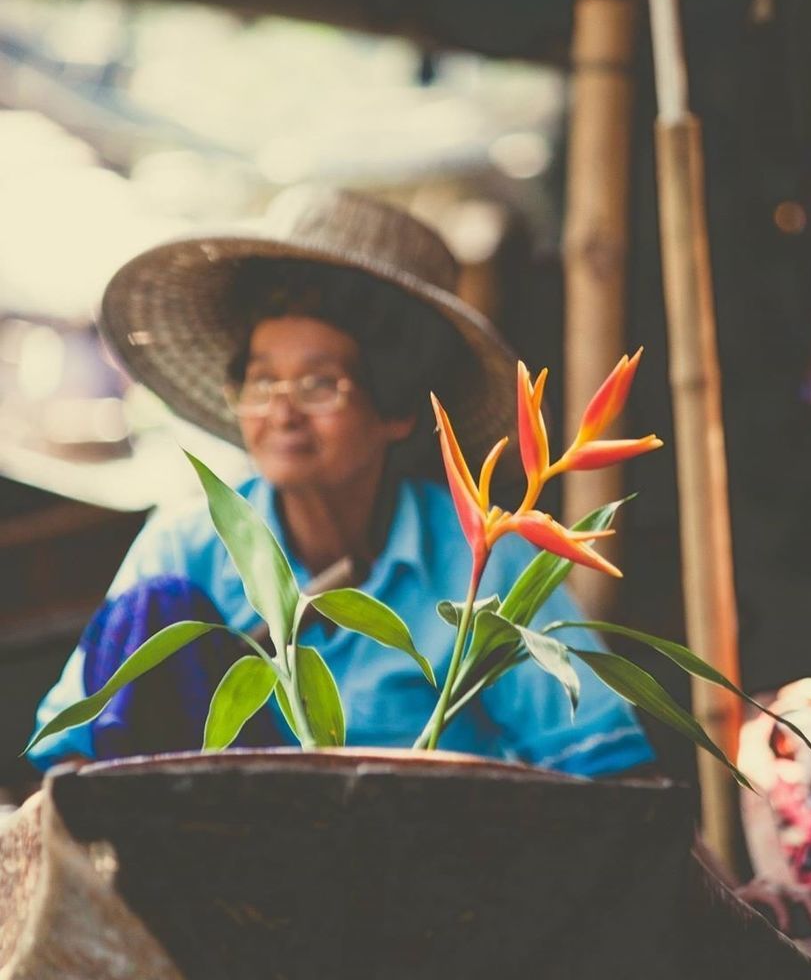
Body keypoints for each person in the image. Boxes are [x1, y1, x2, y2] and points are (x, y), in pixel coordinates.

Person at [29, 188, 655, 776]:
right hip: (210, 870)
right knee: (154, 613)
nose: (281, 411)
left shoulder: (487, 566)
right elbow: (71, 757)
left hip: (433, 871)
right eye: (262, 380)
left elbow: (605, 765)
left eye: (319, 383)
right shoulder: (188, 547)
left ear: (397, 409)